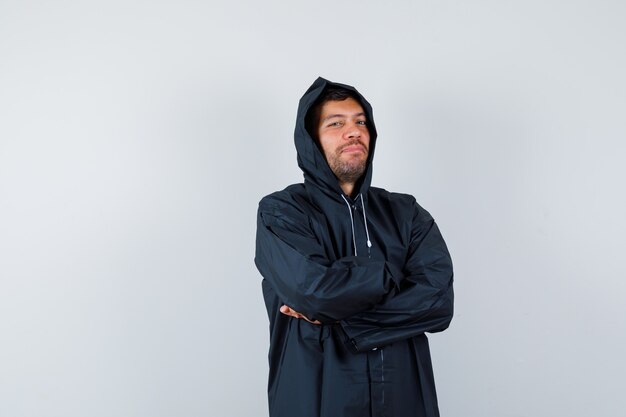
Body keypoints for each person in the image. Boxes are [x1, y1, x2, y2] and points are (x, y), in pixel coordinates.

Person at [255, 77, 454, 417]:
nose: (354, 131)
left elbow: (438, 303)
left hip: (403, 397)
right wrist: (392, 276)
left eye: (361, 122)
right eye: (336, 123)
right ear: (311, 140)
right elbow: (314, 292)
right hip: (315, 397)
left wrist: (342, 318)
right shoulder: (282, 211)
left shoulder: (406, 214)